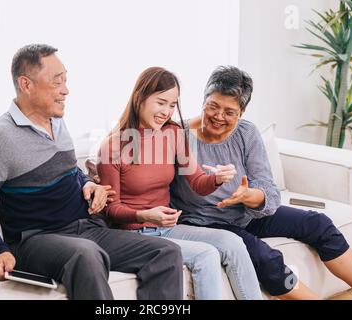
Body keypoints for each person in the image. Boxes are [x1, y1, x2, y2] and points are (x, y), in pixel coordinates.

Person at [0, 44, 184, 300]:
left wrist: (89, 183)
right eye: (57, 82)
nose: (66, 90)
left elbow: (70, 172)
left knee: (166, 253)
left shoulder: (57, 120)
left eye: (65, 80)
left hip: (85, 227)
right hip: (36, 239)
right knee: (86, 253)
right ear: (26, 84)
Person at [169, 65, 352, 299]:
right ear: (203, 100)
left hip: (246, 213)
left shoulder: (246, 133)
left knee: (319, 224)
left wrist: (249, 196)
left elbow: (267, 188)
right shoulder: (176, 135)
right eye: (213, 106)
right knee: (264, 257)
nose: (218, 116)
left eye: (229, 112)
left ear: (241, 112)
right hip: (205, 223)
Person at [96, 67, 262, 300]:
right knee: (206, 255)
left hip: (168, 227)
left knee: (233, 243)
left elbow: (197, 182)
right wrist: (145, 215)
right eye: (161, 103)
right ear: (139, 98)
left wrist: (216, 179)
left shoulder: (173, 134)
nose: (166, 112)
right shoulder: (113, 146)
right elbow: (111, 210)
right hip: (135, 234)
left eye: (172, 105)